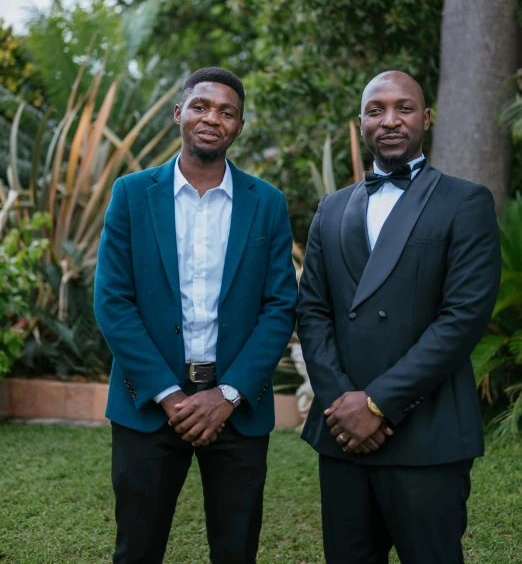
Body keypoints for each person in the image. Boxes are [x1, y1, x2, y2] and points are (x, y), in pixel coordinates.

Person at [296, 70, 501, 564]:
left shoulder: (465, 201)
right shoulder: (331, 208)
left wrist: (378, 403)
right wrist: (344, 405)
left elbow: (463, 317)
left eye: (404, 108)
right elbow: (313, 310)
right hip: (342, 434)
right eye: (376, 110)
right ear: (362, 122)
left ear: (425, 119)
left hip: (426, 432)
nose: (390, 120)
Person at [94, 67, 297, 564]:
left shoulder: (266, 203)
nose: (213, 118)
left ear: (239, 126)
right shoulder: (131, 193)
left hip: (237, 408)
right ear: (178, 113)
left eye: (227, 112)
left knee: (236, 551)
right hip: (149, 406)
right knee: (137, 550)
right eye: (202, 106)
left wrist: (227, 396)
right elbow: (112, 301)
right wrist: (168, 395)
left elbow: (279, 307)